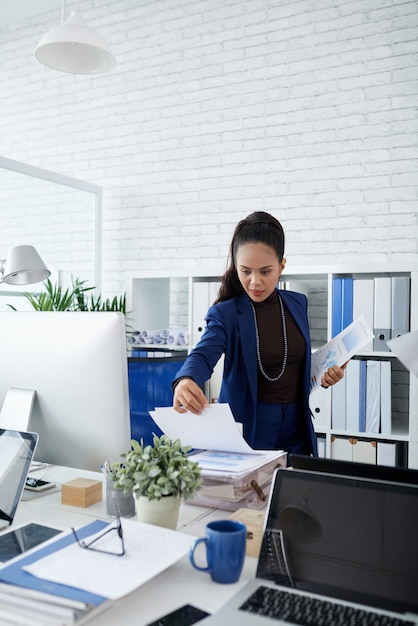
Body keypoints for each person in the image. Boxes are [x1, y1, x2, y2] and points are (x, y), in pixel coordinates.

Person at [172, 211, 345, 456]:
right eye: (245, 271)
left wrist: (325, 375)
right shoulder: (226, 313)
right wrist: (186, 379)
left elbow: (294, 364)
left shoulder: (297, 303)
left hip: (297, 426)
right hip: (250, 426)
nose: (255, 282)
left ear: (281, 266)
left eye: (265, 271)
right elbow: (202, 354)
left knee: (296, 493)